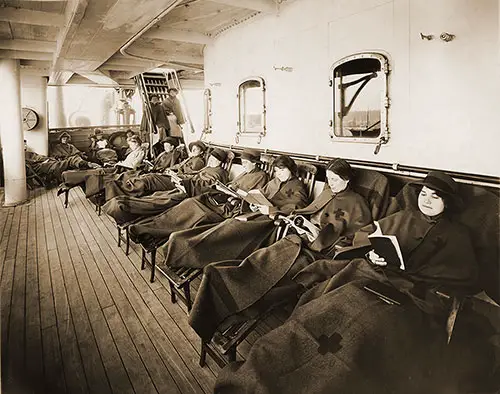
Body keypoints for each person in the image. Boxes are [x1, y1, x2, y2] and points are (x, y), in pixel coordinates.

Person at [213, 171, 479, 394]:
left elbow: (463, 280)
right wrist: (375, 253)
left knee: (359, 337)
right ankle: (259, 375)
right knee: (318, 314)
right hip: (368, 280)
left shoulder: (458, 236)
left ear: (448, 202)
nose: (427, 201)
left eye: (436, 196)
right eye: (424, 194)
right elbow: (367, 235)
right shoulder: (402, 218)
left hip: (409, 300)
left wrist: (415, 273)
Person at [185, 158, 373, 341]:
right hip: (295, 240)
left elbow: (354, 241)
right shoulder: (327, 194)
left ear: (346, 180)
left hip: (316, 253)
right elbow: (306, 211)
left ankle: (231, 305)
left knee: (274, 278)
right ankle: (225, 279)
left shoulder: (357, 204)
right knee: (259, 261)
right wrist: (299, 223)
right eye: (329, 178)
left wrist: (320, 236)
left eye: (334, 179)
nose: (329, 184)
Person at [157, 155, 309, 271]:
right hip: (253, 213)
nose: (279, 174)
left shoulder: (297, 186)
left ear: (291, 169)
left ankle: (186, 250)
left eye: (282, 170)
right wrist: (253, 200)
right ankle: (180, 243)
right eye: (276, 171)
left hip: (269, 222)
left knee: (229, 230)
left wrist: (270, 210)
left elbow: (298, 207)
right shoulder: (274, 182)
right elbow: (259, 194)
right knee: (225, 226)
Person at [124, 148, 269, 250]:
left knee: (191, 211)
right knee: (187, 204)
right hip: (217, 198)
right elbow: (231, 184)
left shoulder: (261, 176)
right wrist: (226, 187)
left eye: (246, 162)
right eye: (242, 162)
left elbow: (253, 197)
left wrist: (235, 192)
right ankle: (147, 228)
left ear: (255, 163)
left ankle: (147, 231)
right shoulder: (245, 173)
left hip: (228, 207)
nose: (243, 164)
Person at [103, 147, 229, 227]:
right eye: (211, 158)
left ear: (220, 162)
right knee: (156, 196)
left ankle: (122, 208)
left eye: (215, 159)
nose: (212, 160)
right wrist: (179, 178)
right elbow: (193, 175)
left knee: (161, 200)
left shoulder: (219, 172)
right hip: (183, 185)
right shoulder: (208, 167)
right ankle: (120, 204)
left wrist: (185, 183)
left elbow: (209, 187)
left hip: (191, 192)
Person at [103, 139, 204, 201]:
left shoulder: (198, 161)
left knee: (147, 178)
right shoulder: (189, 158)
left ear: (202, 151)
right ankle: (118, 188)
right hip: (165, 173)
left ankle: (120, 190)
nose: (193, 151)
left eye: (196, 149)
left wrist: (172, 171)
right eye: (192, 149)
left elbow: (189, 173)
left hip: (176, 179)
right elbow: (177, 165)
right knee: (140, 176)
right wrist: (170, 169)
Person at [57, 135, 145, 198]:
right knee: (98, 170)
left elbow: (133, 165)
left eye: (131, 145)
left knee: (97, 172)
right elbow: (128, 162)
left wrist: (120, 164)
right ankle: (68, 177)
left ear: (136, 143)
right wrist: (119, 163)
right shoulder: (134, 152)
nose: (130, 147)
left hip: (122, 170)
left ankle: (68, 177)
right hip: (119, 167)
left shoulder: (140, 152)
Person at [25, 140, 97, 184]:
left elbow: (39, 157)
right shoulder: (21, 156)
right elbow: (32, 162)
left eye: (25, 144)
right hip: (39, 166)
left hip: (47, 162)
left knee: (68, 161)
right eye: (24, 144)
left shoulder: (29, 152)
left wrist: (47, 159)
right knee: (65, 163)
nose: (25, 146)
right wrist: (42, 161)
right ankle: (85, 164)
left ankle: (84, 165)